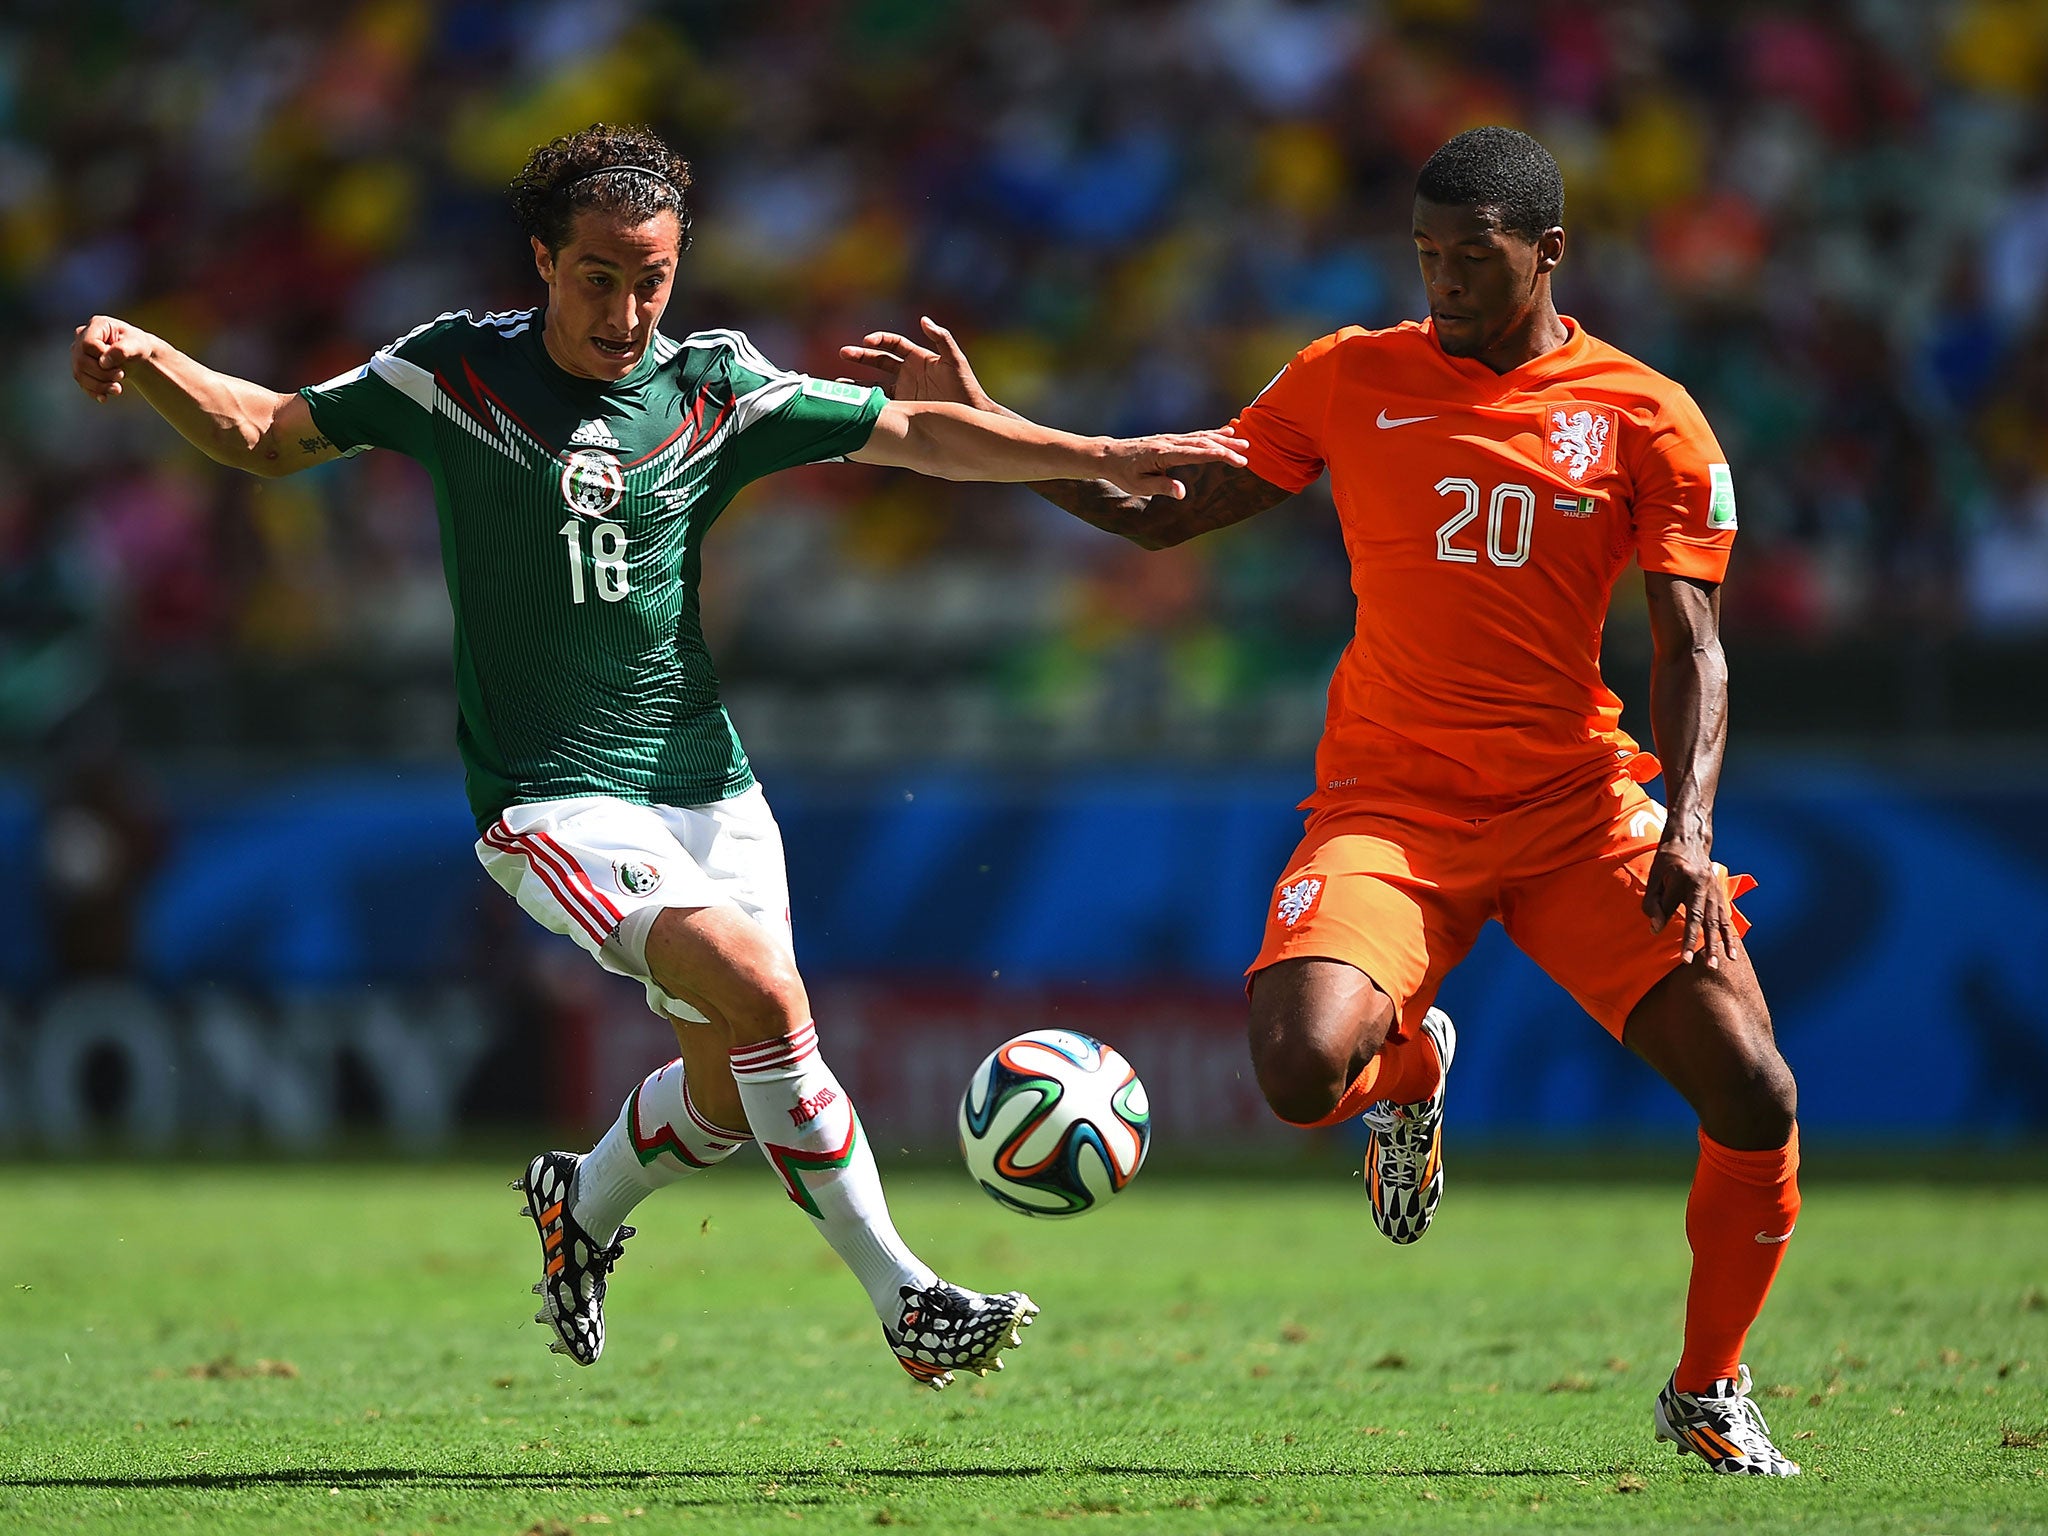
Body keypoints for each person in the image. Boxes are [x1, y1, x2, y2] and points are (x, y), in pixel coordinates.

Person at [69, 122, 1246, 1392]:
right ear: (542, 260)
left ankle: (581, 1197)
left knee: (732, 1093)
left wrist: (1101, 452)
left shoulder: (715, 389)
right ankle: (907, 1297)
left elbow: (912, 436)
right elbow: (263, 433)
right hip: (549, 800)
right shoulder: (451, 372)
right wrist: (148, 357)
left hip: (709, 786)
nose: (628, 311)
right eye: (598, 278)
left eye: (652, 280)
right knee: (765, 999)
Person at [845, 125, 1803, 1471]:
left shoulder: (1649, 415)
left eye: (1474, 258)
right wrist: (994, 424)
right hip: (1393, 807)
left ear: (1550, 253)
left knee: (1753, 1091)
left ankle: (1709, 1386)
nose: (1445, 282)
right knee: (1301, 1074)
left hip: (1578, 809)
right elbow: (1160, 507)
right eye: (1426, 256)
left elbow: (1691, 646)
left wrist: (1690, 836)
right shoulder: (1352, 376)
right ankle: (1411, 1073)